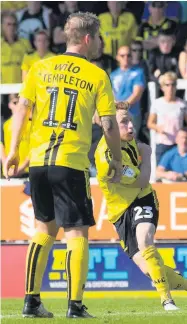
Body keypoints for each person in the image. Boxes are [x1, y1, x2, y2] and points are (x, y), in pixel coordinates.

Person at [2, 12, 123, 318]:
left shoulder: (40, 68)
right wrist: (117, 160)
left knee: (43, 229)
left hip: (40, 162)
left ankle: (31, 301)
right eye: (97, 37)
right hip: (71, 162)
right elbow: (108, 124)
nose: (99, 42)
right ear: (87, 39)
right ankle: (75, 305)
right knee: (77, 232)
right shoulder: (97, 75)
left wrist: (13, 150)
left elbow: (22, 111)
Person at [95, 103, 187, 311]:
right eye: (124, 122)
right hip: (120, 211)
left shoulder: (125, 140)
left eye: (131, 120)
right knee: (148, 268)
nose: (131, 126)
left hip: (143, 198)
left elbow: (142, 186)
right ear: (111, 127)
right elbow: (141, 178)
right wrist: (147, 154)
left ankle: (167, 300)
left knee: (145, 240)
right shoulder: (107, 157)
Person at [147, 72, 187, 164]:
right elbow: (150, 123)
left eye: (173, 84)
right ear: (162, 87)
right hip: (162, 143)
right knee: (160, 171)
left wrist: (183, 135)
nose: (170, 87)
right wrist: (158, 128)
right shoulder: (157, 103)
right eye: (167, 85)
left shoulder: (182, 104)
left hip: (178, 145)